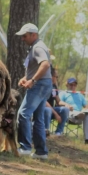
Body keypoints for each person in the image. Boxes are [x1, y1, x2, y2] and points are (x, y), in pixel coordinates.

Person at [16, 23, 52, 159]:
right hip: (44, 83)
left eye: (24, 36)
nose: (22, 39)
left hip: (40, 84)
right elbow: (41, 67)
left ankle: (24, 147)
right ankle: (41, 152)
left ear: (34, 35)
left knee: (23, 114)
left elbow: (45, 64)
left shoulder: (37, 47)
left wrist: (33, 81)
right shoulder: (37, 46)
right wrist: (27, 78)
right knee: (38, 118)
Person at [59, 77, 88, 145]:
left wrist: (84, 110)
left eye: (74, 85)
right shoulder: (63, 93)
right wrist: (66, 104)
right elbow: (58, 102)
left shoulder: (80, 95)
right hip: (69, 114)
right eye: (71, 85)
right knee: (87, 116)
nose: (73, 87)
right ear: (67, 85)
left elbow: (86, 106)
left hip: (81, 114)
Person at [42, 68, 69, 137]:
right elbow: (44, 101)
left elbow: (58, 101)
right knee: (48, 110)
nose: (56, 78)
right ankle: (46, 132)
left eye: (57, 77)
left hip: (52, 110)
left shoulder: (53, 87)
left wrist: (66, 104)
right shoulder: (44, 85)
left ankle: (58, 132)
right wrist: (56, 114)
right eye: (55, 76)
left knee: (65, 109)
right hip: (43, 110)